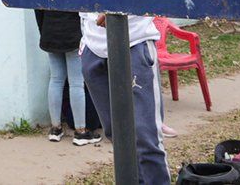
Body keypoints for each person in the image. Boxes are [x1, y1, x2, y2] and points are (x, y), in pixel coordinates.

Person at [80, 12, 169, 185]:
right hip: (93, 47)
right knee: (117, 136)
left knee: (146, 138)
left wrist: (116, 8)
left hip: (134, 41)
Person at [34, 10, 98, 145]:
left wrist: (44, 31)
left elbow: (38, 11)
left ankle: (55, 129)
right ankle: (81, 131)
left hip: (49, 33)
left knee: (56, 79)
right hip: (73, 34)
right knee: (76, 83)